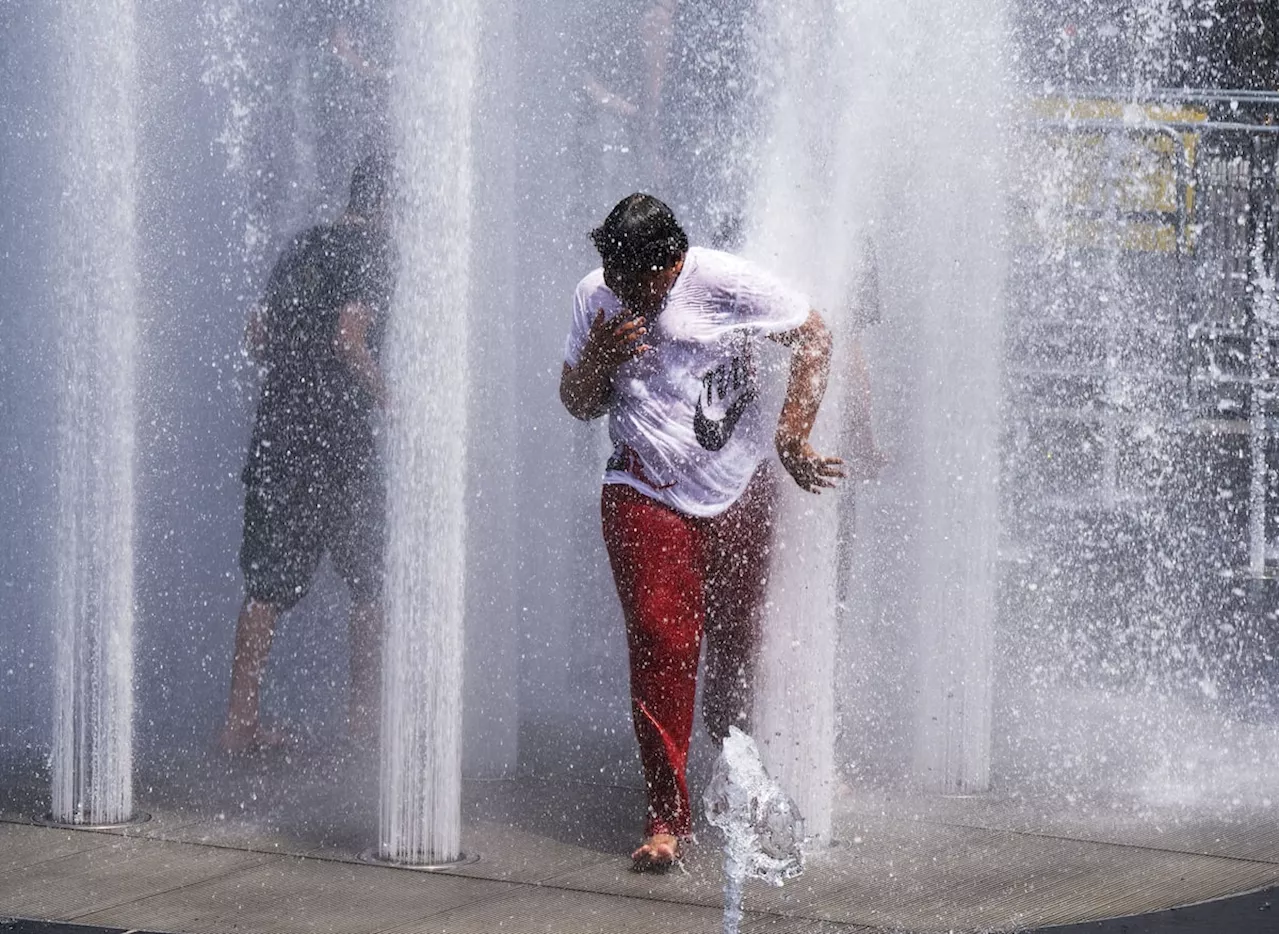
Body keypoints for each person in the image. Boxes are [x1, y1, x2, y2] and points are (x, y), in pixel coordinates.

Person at [559, 193, 844, 868]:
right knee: (661, 644)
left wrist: (793, 434)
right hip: (644, 491)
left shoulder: (721, 282)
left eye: (637, 284)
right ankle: (667, 816)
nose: (622, 295)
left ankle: (735, 763)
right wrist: (598, 357)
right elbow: (577, 403)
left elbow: (815, 333)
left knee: (737, 641)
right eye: (615, 280)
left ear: (672, 264)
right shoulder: (596, 298)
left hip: (740, 489)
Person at [219, 154, 393, 755]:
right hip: (337, 437)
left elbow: (257, 337)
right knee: (371, 575)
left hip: (279, 428)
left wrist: (297, 367)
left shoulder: (300, 247)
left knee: (265, 581)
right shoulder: (371, 254)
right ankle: (363, 721)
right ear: (389, 206)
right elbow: (351, 340)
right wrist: (396, 398)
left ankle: (239, 725)